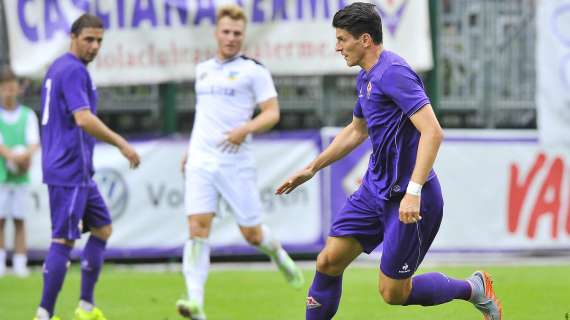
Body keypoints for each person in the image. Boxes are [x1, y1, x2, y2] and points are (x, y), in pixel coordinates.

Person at [276, 3, 502, 320]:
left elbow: (433, 132)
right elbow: (357, 130)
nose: (337, 47)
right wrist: (312, 167)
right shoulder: (366, 78)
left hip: (408, 199)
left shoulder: (394, 73)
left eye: (342, 39)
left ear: (365, 39)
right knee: (328, 261)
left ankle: (473, 288)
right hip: (374, 191)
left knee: (394, 293)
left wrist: (413, 191)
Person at [176, 4, 304, 320]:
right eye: (226, 32)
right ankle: (196, 304)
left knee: (251, 234)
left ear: (243, 35)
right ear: (216, 33)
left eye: (237, 33)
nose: (231, 38)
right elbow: (202, 116)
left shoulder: (254, 71)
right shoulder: (202, 69)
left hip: (235, 162)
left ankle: (277, 252)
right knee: (197, 228)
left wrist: (244, 129)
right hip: (202, 160)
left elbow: (273, 113)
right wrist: (190, 150)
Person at [34, 14, 140, 320]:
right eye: (88, 39)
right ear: (73, 37)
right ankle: (44, 314)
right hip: (68, 168)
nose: (94, 46)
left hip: (79, 171)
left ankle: (85, 307)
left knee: (103, 228)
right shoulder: (73, 70)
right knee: (63, 240)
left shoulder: (61, 67)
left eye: (99, 41)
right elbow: (82, 118)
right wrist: (121, 143)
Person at [0, 68, 39, 278]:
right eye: (5, 88)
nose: (8, 92)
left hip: (21, 176)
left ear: (18, 90)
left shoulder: (27, 115)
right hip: (1, 176)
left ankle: (20, 263)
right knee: (0, 219)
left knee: (19, 219)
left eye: (12, 88)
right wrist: (12, 158)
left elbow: (34, 143)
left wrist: (24, 157)